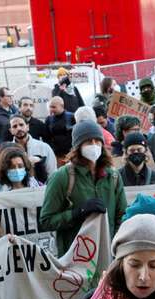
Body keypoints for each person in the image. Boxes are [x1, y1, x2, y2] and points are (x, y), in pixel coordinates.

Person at [40, 120, 127, 255]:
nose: (94, 146)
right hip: (74, 258)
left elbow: (122, 216)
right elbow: (46, 221)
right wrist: (76, 213)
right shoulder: (62, 177)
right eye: (88, 142)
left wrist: (115, 247)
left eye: (97, 141)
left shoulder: (113, 176)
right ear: (78, 146)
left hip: (107, 255)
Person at [9, 115, 56, 183]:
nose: (19, 128)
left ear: (27, 127)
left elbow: (52, 174)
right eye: (14, 126)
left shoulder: (44, 147)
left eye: (21, 125)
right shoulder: (6, 151)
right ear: (11, 131)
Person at [44, 96, 76, 165]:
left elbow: (77, 136)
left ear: (62, 106)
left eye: (53, 107)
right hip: (56, 155)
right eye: (50, 107)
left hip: (71, 155)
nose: (51, 109)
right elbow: (46, 138)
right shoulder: (48, 119)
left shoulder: (72, 117)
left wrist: (72, 152)